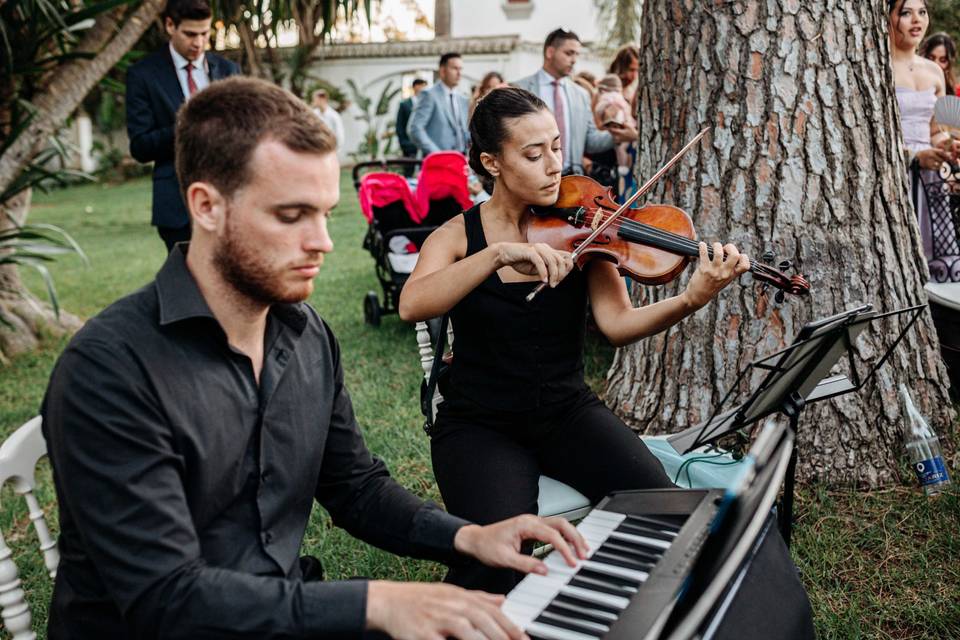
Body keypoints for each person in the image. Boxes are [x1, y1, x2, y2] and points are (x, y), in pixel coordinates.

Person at [42, 77, 589, 639]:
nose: (323, 241)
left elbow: (356, 487)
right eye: (291, 215)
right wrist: (375, 604)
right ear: (206, 206)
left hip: (279, 612)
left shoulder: (306, 337)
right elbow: (165, 597)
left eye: (325, 213)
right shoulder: (111, 369)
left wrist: (468, 537)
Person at [398, 87, 750, 594]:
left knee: (665, 512)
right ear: (492, 163)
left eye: (557, 148)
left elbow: (616, 324)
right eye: (533, 154)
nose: (553, 166)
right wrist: (496, 255)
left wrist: (691, 300)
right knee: (501, 554)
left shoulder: (582, 224)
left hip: (566, 411)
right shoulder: (457, 236)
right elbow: (414, 303)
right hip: (480, 425)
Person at [126, 0, 240, 253]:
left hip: (229, 197)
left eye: (204, 34)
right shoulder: (143, 75)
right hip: (176, 205)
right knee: (186, 286)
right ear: (170, 25)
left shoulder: (228, 70)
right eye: (190, 34)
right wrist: (187, 125)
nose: (198, 43)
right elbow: (140, 147)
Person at [889, 0, 960, 276]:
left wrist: (948, 144)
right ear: (888, 17)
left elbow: (936, 129)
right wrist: (914, 157)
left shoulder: (933, 71)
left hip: (930, 177)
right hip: (896, 170)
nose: (917, 20)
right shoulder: (879, 65)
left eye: (922, 12)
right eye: (906, 13)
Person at [408, 53, 470, 155]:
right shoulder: (428, 95)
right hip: (437, 162)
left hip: (461, 161)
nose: (459, 73)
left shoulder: (463, 99)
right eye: (455, 68)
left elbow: (464, 131)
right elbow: (415, 129)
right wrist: (437, 154)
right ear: (442, 71)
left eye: (461, 69)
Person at [396, 78, 428, 161]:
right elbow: (400, 127)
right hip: (409, 147)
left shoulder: (427, 104)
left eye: (425, 86)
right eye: (421, 86)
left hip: (425, 148)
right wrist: (405, 145)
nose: (424, 89)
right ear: (415, 87)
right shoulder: (404, 105)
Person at [921, 32, 960, 97]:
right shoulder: (911, 89)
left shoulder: (957, 94)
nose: (936, 64)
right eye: (931, 58)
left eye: (943, 60)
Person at [607, 44, 640, 109]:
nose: (634, 76)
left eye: (637, 71)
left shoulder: (632, 90)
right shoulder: (606, 90)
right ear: (620, 67)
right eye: (631, 70)